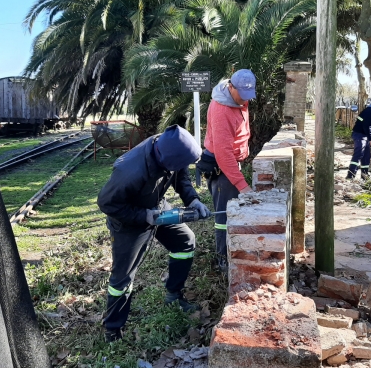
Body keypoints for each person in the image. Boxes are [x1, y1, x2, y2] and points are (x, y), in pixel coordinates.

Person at [97, 124, 211, 343]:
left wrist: (193, 200)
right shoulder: (129, 171)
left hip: (157, 206)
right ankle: (113, 330)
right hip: (128, 221)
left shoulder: (169, 149)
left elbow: (181, 177)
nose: (183, 166)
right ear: (166, 160)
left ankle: (173, 296)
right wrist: (143, 216)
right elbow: (107, 204)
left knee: (185, 241)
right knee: (122, 278)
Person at [197, 69, 256, 271]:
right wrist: (242, 185)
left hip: (231, 164)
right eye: (242, 95)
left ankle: (232, 251)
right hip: (222, 169)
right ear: (231, 87)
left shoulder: (240, 100)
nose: (245, 100)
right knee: (224, 216)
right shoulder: (221, 110)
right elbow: (223, 155)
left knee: (231, 213)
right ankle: (222, 259)